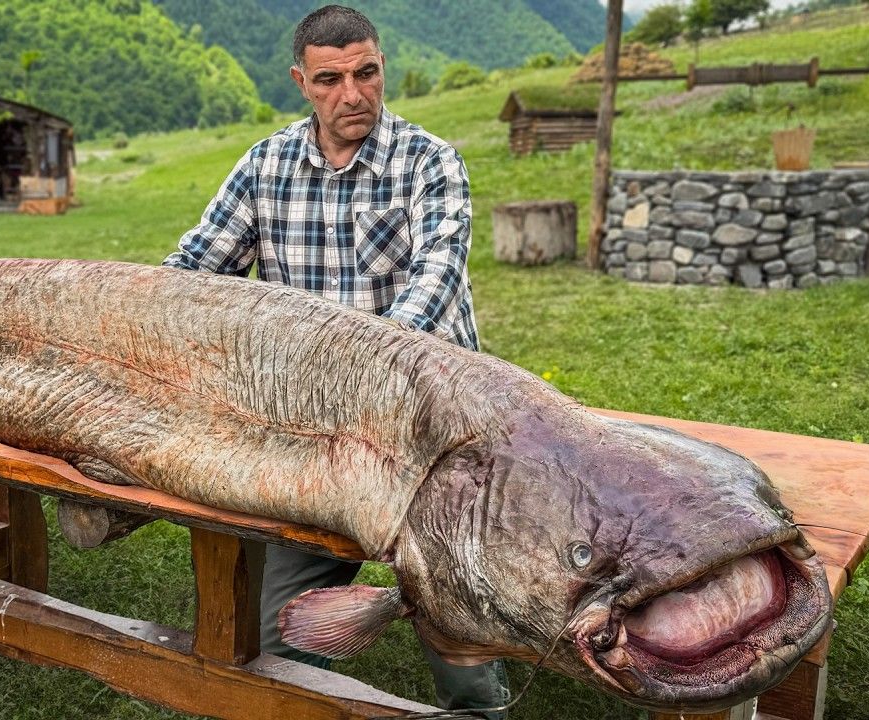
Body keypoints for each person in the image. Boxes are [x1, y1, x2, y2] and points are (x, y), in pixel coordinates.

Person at [162, 5, 507, 716]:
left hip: (433, 423)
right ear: (301, 82)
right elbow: (194, 269)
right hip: (317, 435)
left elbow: (435, 282)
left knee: (455, 596)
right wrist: (142, 305)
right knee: (277, 637)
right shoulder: (267, 164)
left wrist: (357, 375)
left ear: (383, 68)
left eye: (366, 73)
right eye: (330, 79)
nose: (352, 94)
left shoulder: (429, 160)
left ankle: (477, 702)